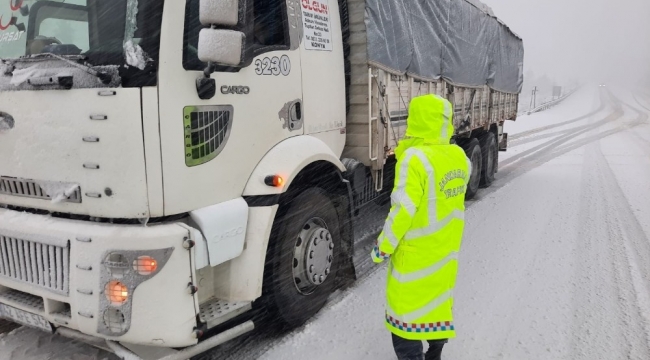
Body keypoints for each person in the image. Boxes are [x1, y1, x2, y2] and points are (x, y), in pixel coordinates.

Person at [371, 94, 471, 360]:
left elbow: (402, 211)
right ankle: (435, 354)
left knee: (404, 318)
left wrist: (383, 247)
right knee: (437, 307)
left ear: (415, 121)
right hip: (445, 253)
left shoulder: (413, 159)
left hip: (415, 257)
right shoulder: (459, 155)